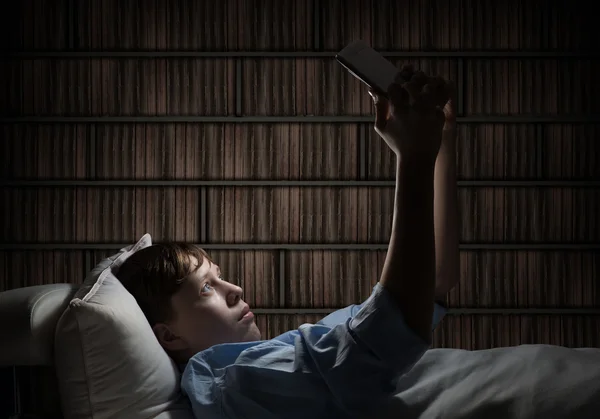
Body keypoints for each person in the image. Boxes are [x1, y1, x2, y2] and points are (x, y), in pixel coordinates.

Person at [116, 65, 460, 418]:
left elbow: (430, 284)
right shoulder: (232, 381)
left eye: (219, 276)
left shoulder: (270, 357)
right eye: (206, 288)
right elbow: (388, 336)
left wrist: (440, 142)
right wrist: (413, 156)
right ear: (168, 336)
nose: (234, 289)